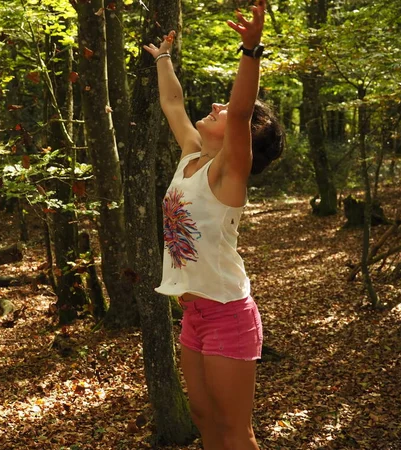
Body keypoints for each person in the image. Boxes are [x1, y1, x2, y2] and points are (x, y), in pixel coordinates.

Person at [144, 1, 284, 449]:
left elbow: (241, 112)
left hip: (228, 314)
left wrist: (251, 50)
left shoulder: (227, 173)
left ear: (244, 138)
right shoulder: (191, 155)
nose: (217, 106)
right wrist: (163, 58)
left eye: (224, 110)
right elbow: (172, 102)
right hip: (194, 312)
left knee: (234, 430)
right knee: (204, 419)